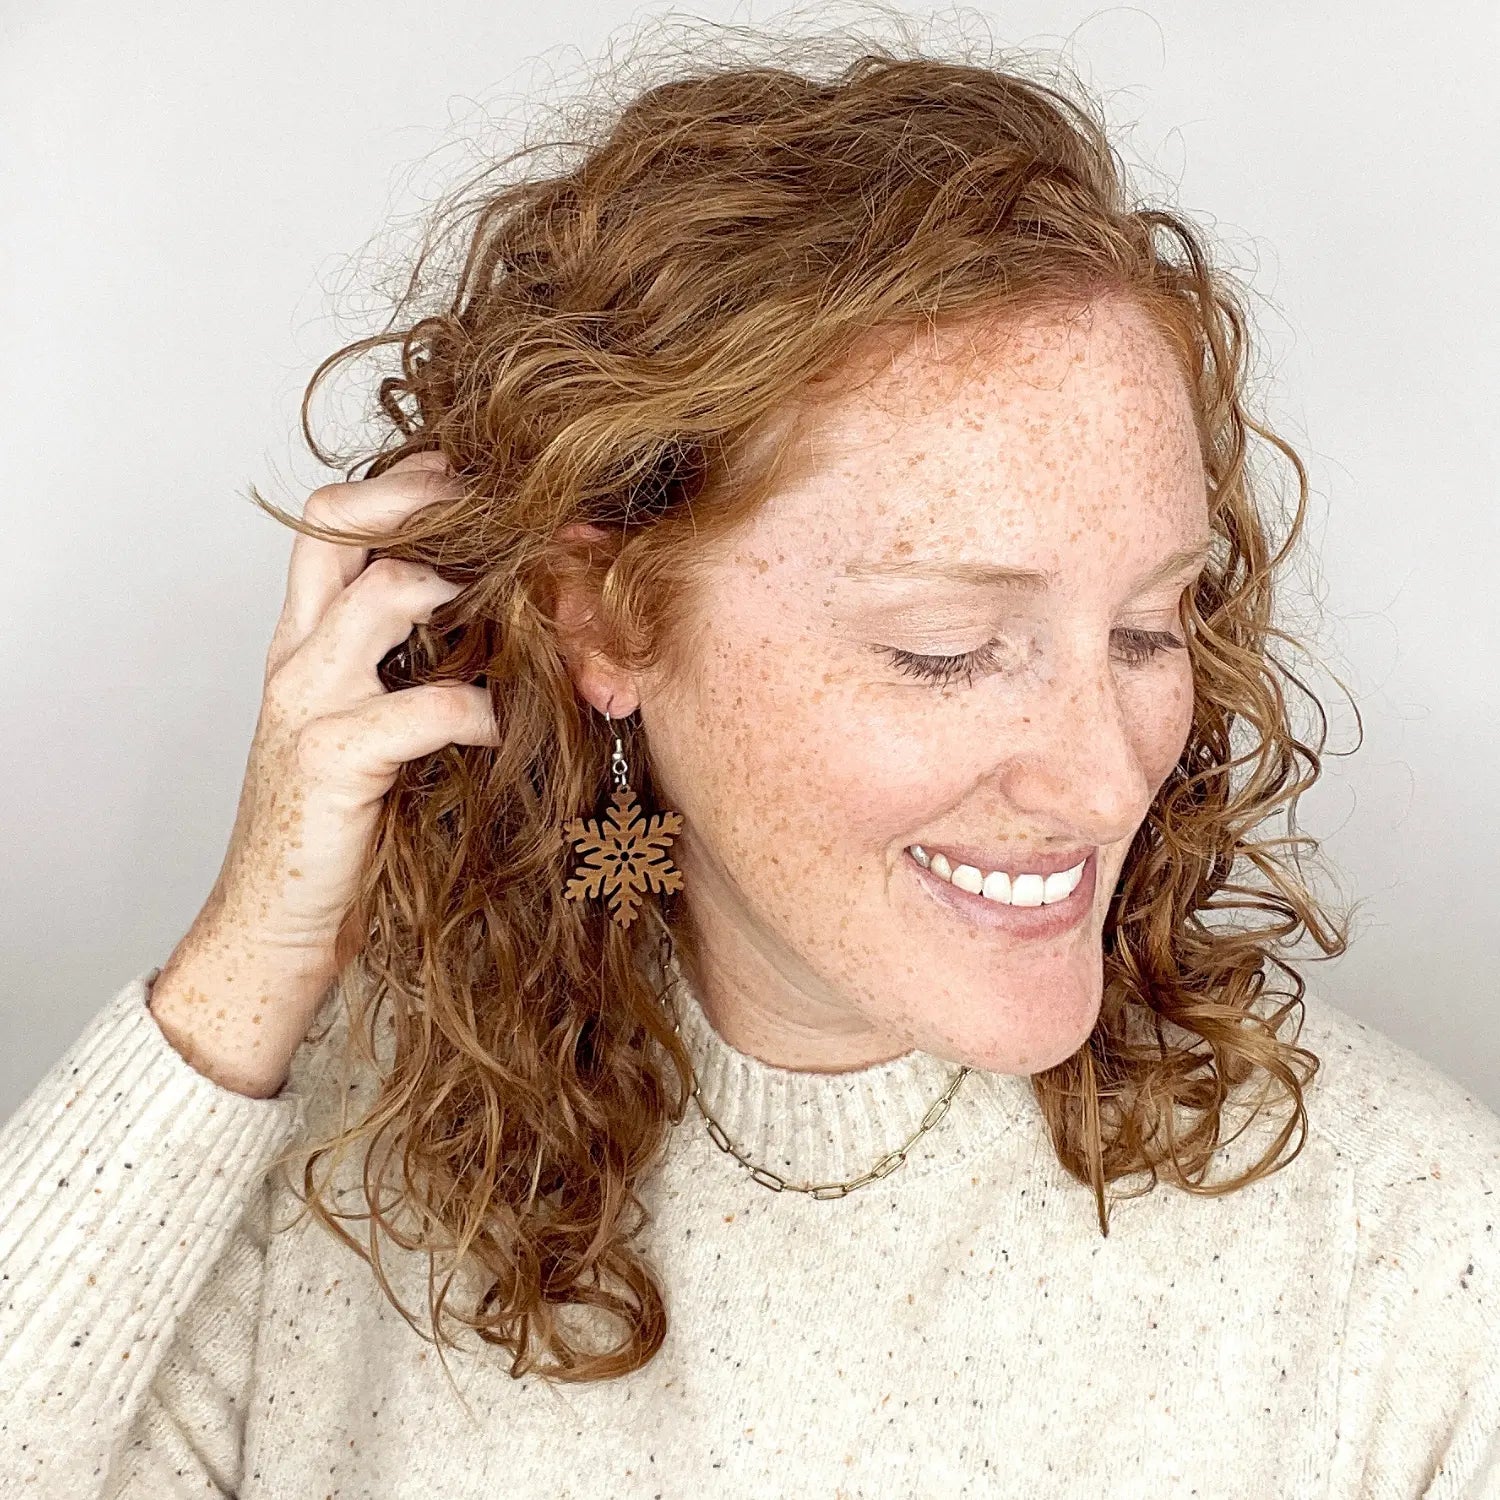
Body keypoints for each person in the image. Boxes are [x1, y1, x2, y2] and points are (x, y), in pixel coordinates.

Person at [2, 25, 1498, 1500]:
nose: (1109, 783)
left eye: (1150, 629)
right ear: (610, 614)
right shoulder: (320, 1196)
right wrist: (251, 962)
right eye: (943, 648)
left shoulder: (1418, 1267)